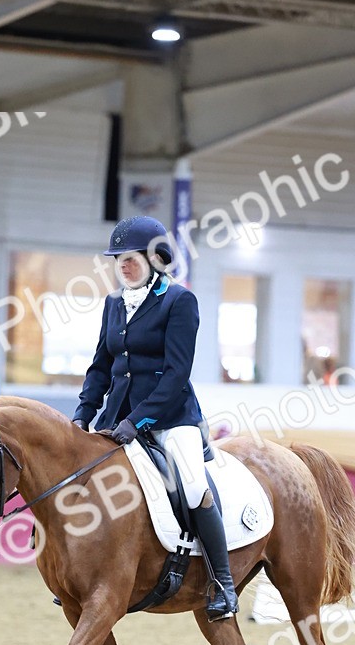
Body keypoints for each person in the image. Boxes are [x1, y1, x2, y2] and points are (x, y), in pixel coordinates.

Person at [72, 215, 239, 621]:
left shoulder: (179, 301)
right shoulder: (114, 304)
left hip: (171, 417)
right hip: (118, 417)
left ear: (154, 258)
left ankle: (222, 582)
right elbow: (101, 366)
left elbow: (177, 373)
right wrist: (81, 417)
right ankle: (77, 572)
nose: (123, 266)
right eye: (118, 260)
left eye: (130, 259)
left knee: (194, 484)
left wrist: (139, 421)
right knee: (79, 477)